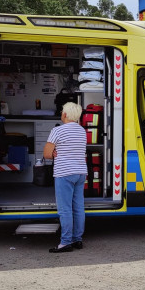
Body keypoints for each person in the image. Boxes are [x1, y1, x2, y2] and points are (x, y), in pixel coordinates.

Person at [43, 101, 87, 253]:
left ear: (65, 114)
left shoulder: (58, 131)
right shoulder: (82, 131)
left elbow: (47, 155)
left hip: (64, 173)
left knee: (65, 210)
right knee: (78, 208)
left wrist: (55, 151)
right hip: (80, 172)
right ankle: (77, 240)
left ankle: (65, 242)